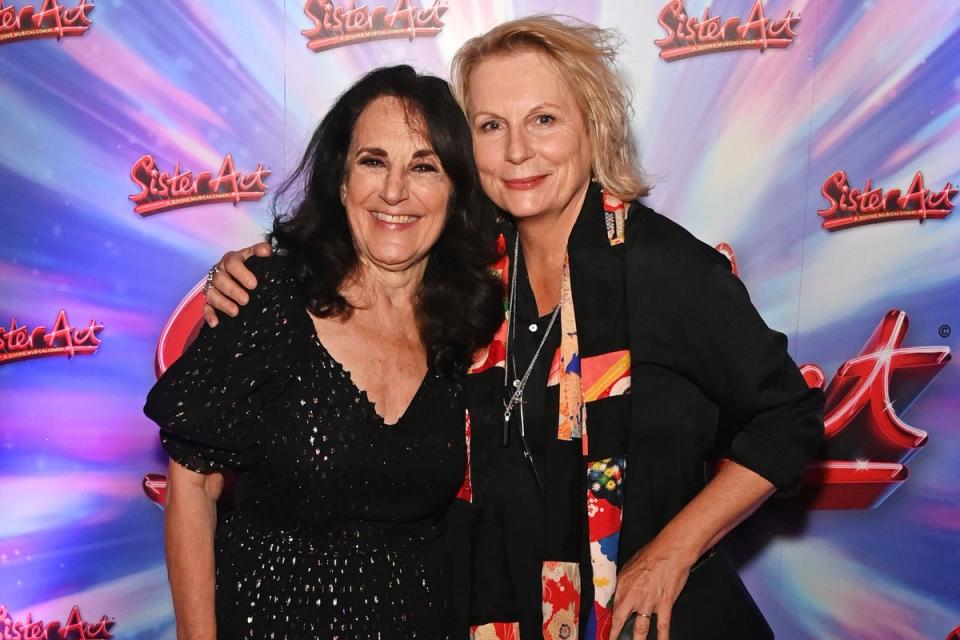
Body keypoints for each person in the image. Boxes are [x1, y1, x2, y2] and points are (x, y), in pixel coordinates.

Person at [204, 16, 825, 640]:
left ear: (594, 123)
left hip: (656, 620)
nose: (517, 151)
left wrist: (672, 551)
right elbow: (362, 257)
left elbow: (789, 419)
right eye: (490, 126)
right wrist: (254, 272)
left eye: (544, 120)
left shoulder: (661, 268)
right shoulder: (472, 274)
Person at [144, 65, 503, 639]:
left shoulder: (470, 325)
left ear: (456, 189)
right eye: (373, 161)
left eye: (425, 167)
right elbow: (192, 486)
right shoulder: (267, 298)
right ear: (341, 182)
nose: (394, 191)